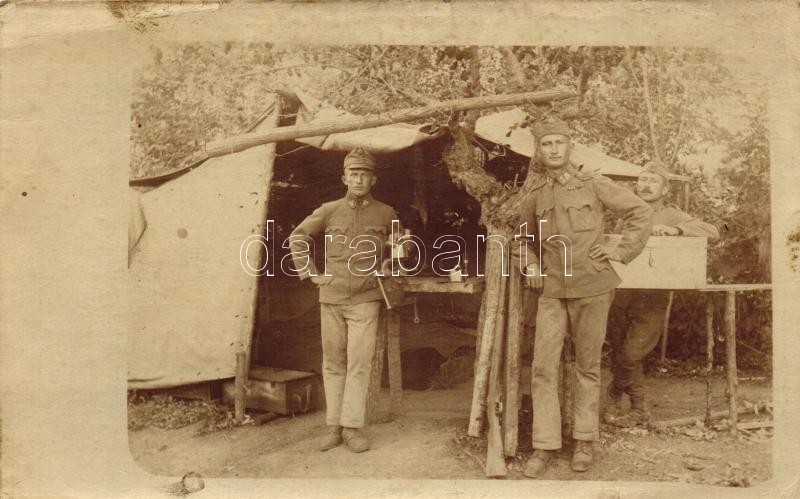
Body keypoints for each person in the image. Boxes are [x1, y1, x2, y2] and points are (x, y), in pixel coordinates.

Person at [519, 118, 653, 478]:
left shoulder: (593, 184)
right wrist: (530, 265)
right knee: (543, 368)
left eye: (559, 142)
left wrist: (621, 252)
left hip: (592, 286)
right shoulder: (536, 195)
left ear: (569, 145)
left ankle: (584, 441)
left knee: (587, 366)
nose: (553, 149)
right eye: (546, 144)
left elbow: (640, 212)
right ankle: (544, 445)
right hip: (551, 291)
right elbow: (522, 239)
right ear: (539, 150)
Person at [289, 147, 398, 453]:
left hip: (366, 298)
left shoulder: (386, 213)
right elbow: (297, 237)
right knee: (334, 363)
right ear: (344, 177)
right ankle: (333, 426)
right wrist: (311, 274)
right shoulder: (328, 210)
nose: (359, 179)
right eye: (354, 173)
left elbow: (400, 247)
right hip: (332, 298)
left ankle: (352, 429)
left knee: (359, 364)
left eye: (365, 174)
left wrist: (392, 259)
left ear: (373, 179)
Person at [603, 161, 720, 428]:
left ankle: (614, 393)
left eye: (653, 181)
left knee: (632, 353)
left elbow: (713, 232)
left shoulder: (671, 214)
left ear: (665, 189)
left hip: (652, 297)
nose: (645, 185)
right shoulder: (627, 215)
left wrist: (675, 230)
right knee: (620, 350)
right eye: (642, 180)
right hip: (621, 293)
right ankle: (638, 410)